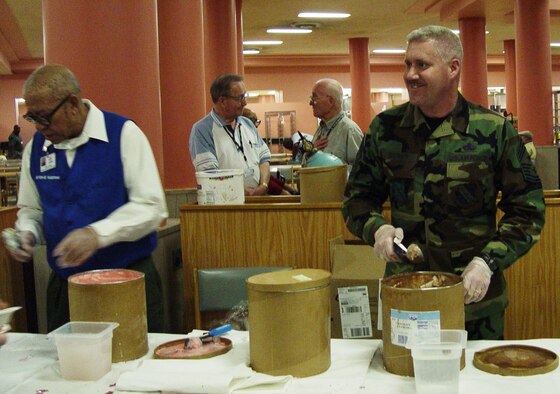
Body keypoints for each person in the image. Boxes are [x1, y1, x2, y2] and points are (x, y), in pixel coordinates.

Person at [342, 25, 545, 340]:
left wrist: (487, 261)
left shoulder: (494, 131)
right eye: (407, 65)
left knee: (477, 387)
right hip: (407, 296)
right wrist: (377, 229)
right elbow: (357, 201)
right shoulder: (386, 129)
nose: (410, 74)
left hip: (473, 300)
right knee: (402, 386)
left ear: (453, 68)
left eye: (422, 65)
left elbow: (528, 211)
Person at [3, 64, 168, 332]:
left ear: (72, 104)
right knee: (67, 369)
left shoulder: (123, 134)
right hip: (66, 287)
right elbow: (31, 209)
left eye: (44, 117)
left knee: (138, 369)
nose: (40, 127)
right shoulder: (36, 148)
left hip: (127, 280)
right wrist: (27, 233)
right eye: (32, 117)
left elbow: (152, 207)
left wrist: (96, 234)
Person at [190, 74, 271, 196]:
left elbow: (264, 159)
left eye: (245, 96)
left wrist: (263, 185)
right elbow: (210, 175)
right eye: (239, 98)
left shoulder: (248, 124)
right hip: (226, 205)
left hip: (256, 200)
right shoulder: (202, 130)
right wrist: (241, 193)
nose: (245, 103)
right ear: (222, 101)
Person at [309, 78, 363, 168]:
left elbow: (360, 171)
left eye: (315, 98)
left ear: (331, 101)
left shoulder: (349, 130)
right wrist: (310, 154)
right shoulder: (321, 129)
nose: (311, 103)